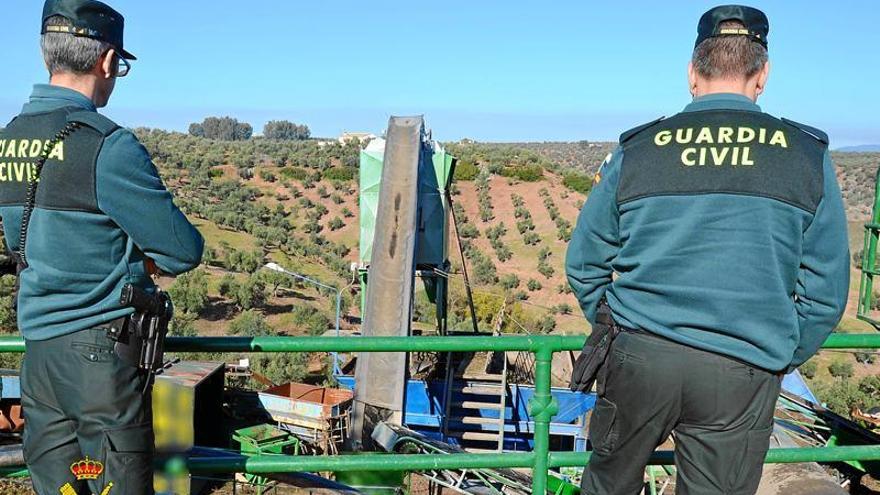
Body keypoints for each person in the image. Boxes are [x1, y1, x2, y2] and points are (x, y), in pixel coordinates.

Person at [565, 5, 849, 494]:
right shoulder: (806, 156)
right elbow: (824, 293)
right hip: (742, 369)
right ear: (762, 75)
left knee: (607, 486)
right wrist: (775, 351)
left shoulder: (642, 148)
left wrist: (620, 330)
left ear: (693, 74)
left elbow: (585, 264)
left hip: (640, 357)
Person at [0, 1, 204, 493]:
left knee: (65, 487)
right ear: (107, 61)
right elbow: (182, 250)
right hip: (101, 362)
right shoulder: (107, 145)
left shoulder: (8, 141)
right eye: (121, 67)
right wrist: (137, 258)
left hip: (39, 358)